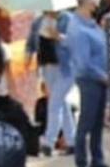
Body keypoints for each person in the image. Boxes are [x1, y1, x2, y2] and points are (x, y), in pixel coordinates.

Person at [67, 0, 109, 167]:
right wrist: (102, 76)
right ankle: (82, 162)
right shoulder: (78, 29)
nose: (97, 5)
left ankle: (98, 160)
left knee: (98, 122)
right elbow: (83, 63)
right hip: (90, 80)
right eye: (95, 2)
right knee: (87, 121)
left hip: (101, 79)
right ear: (86, 3)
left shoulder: (93, 25)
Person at [27, 9, 74, 156]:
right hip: (47, 65)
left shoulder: (67, 19)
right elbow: (32, 42)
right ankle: (72, 141)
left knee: (54, 103)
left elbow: (75, 42)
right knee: (61, 103)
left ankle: (48, 142)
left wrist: (58, 36)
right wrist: (28, 55)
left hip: (65, 67)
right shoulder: (39, 20)